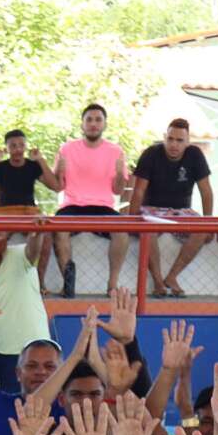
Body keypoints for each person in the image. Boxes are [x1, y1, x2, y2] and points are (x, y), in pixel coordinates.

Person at [48, 105, 129, 299]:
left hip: (103, 207)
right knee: (59, 230)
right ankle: (68, 283)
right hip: (72, 206)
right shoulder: (66, 149)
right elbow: (58, 186)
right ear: (82, 124)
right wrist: (58, 171)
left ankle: (112, 286)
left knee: (123, 232)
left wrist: (119, 173)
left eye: (98, 120)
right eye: (89, 120)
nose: (93, 124)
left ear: (105, 124)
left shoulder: (116, 151)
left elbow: (118, 190)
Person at [131, 119, 215, 297]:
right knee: (147, 231)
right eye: (170, 139)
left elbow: (206, 192)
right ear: (164, 138)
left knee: (201, 230)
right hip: (152, 210)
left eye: (179, 140)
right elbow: (138, 191)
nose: (174, 144)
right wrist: (131, 220)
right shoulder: (151, 154)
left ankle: (172, 276)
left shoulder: (195, 155)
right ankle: (158, 281)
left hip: (182, 211)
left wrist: (209, 223)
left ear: (187, 142)